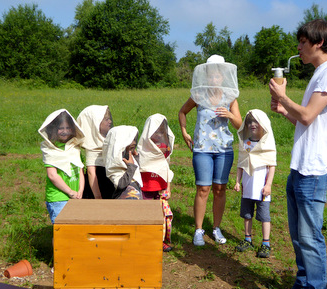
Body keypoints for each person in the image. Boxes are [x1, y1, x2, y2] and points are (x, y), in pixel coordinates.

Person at [269, 19, 327, 289]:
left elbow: (306, 115)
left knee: (309, 236)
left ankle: (314, 286)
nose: (299, 47)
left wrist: (283, 97)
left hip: (314, 168)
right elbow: (308, 122)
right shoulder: (320, 73)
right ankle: (304, 283)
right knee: (299, 235)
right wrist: (284, 111)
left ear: (319, 43)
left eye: (303, 42)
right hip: (301, 165)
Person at [178, 54, 242, 246]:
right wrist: (184, 131)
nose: (214, 79)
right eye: (211, 76)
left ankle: (216, 228)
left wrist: (230, 114)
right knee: (203, 189)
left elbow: (239, 125)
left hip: (224, 150)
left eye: (217, 76)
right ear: (207, 77)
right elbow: (182, 112)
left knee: (220, 189)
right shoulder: (198, 96)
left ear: (222, 77)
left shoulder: (231, 97)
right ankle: (198, 230)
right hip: (202, 149)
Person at [234, 109, 276, 258]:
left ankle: (266, 243)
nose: (252, 124)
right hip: (247, 187)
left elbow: (271, 165)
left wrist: (268, 185)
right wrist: (238, 182)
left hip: (262, 189)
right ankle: (247, 239)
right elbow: (241, 164)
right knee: (247, 214)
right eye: (249, 121)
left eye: (256, 121)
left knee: (264, 216)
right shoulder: (246, 144)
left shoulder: (267, 144)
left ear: (263, 124)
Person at [38, 109, 85, 224]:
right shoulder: (50, 149)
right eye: (61, 128)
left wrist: (80, 190)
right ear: (53, 129)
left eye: (68, 128)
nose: (65, 131)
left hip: (76, 196)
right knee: (61, 232)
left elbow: (80, 171)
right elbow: (52, 175)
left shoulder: (74, 147)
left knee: (73, 231)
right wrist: (70, 192)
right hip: (58, 198)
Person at [138, 113, 175, 252]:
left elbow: (166, 169)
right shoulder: (143, 149)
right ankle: (146, 240)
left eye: (161, 132)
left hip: (160, 190)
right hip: (145, 189)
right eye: (156, 132)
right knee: (146, 216)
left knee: (161, 216)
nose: (159, 135)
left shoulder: (165, 148)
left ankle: (161, 240)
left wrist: (168, 188)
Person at [77, 105, 115, 199]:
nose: (110, 121)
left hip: (110, 183)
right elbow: (91, 173)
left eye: (109, 119)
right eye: (106, 119)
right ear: (95, 124)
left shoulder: (108, 140)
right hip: (98, 186)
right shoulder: (92, 146)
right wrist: (98, 197)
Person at [102, 125, 143, 200]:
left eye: (134, 139)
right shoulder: (115, 164)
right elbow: (121, 184)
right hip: (125, 204)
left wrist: (135, 159)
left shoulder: (128, 158)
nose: (133, 142)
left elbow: (134, 174)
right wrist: (131, 166)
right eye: (131, 140)